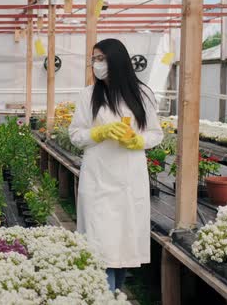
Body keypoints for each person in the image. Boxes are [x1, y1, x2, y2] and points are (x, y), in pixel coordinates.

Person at [69, 38, 163, 291]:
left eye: (101, 59)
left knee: (122, 249)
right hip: (98, 180)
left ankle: (115, 292)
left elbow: (156, 133)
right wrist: (98, 133)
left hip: (129, 182)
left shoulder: (142, 94)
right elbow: (75, 135)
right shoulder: (88, 95)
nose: (96, 64)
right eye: (94, 59)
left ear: (117, 60)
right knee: (101, 248)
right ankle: (105, 295)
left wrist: (137, 140)